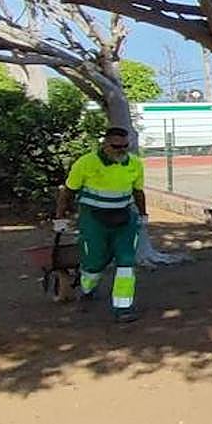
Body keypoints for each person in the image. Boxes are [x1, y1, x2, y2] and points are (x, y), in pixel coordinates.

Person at [53, 127, 147, 323]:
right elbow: (68, 191)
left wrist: (143, 214)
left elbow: (138, 191)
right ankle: (87, 287)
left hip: (124, 218)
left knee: (126, 261)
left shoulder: (135, 164)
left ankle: (123, 307)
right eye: (116, 146)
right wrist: (60, 218)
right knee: (93, 263)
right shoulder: (86, 163)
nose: (121, 150)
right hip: (94, 219)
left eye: (125, 146)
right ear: (105, 145)